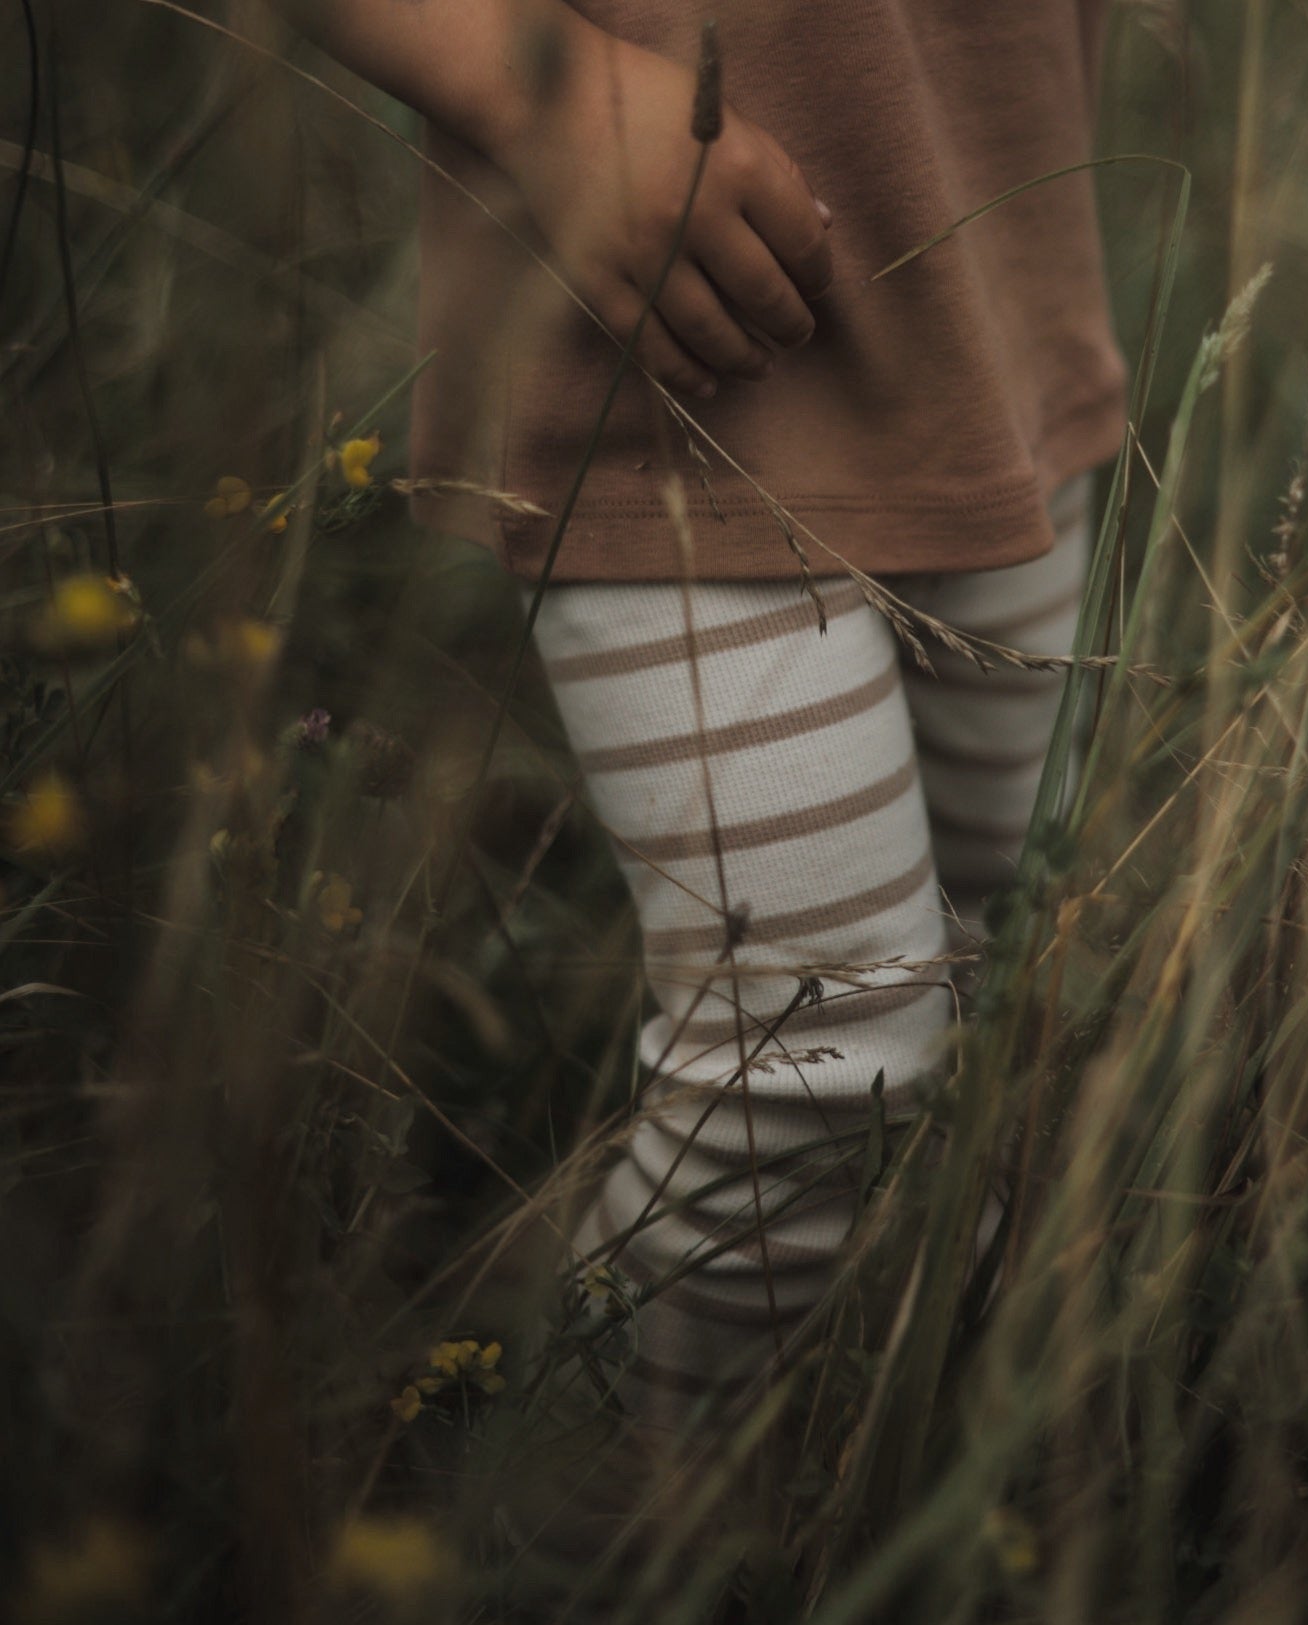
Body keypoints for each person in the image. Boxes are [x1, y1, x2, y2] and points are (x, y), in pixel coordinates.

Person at [273, 0, 1128, 1423]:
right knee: (806, 1088)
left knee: (990, 1005)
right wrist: (543, 97)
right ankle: (551, 1525)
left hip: (991, 258)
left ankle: (870, 1491)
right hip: (665, 320)